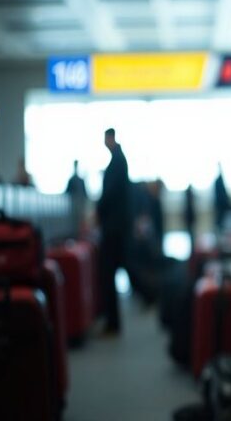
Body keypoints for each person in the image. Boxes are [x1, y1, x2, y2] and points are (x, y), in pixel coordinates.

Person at [97, 128, 131, 334]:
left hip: (113, 228)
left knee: (108, 273)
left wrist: (97, 211)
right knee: (118, 268)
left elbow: (109, 194)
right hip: (117, 226)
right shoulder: (119, 160)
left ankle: (112, 323)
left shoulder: (117, 162)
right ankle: (112, 322)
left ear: (110, 138)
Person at [66, 160, 88, 235]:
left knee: (80, 221)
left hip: (80, 203)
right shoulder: (71, 180)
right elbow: (67, 192)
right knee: (73, 221)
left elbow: (85, 194)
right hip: (73, 204)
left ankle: (80, 235)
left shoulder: (81, 180)